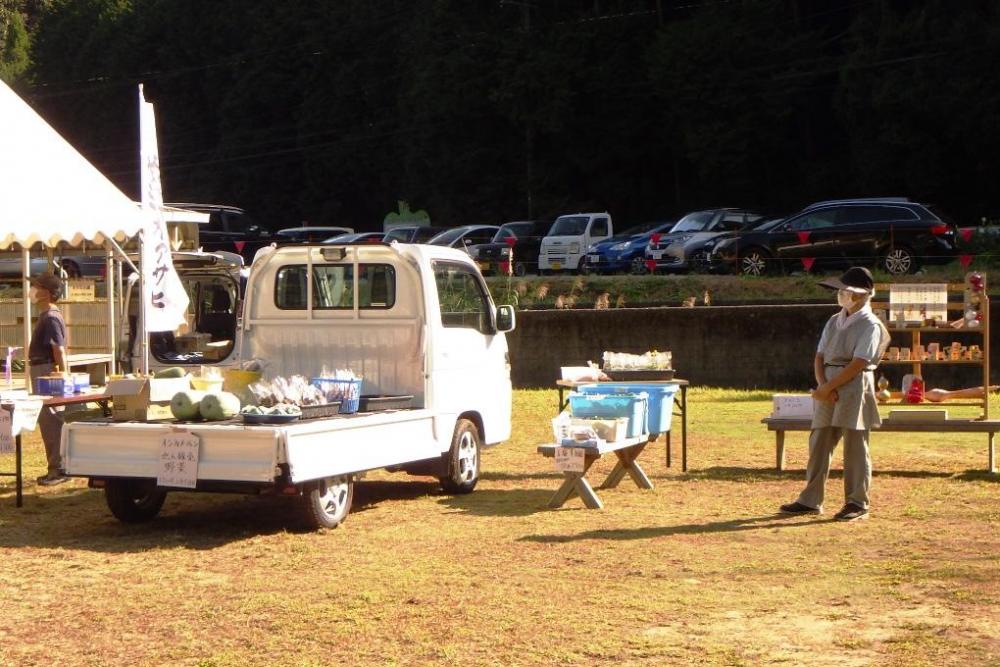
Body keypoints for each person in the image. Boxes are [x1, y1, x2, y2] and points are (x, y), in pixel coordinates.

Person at [780, 266, 890, 521]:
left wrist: (829, 388)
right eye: (842, 291)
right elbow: (819, 356)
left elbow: (859, 362)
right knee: (819, 441)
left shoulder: (871, 324)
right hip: (827, 384)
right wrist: (822, 386)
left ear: (864, 295)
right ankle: (810, 499)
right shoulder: (833, 320)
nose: (843, 296)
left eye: (849, 292)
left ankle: (857, 502)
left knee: (855, 445)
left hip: (854, 385)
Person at [27, 272, 70, 486]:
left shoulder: (52, 317)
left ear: (46, 292)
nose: (32, 289)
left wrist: (62, 375)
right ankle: (54, 467)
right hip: (41, 370)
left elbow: (58, 350)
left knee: (51, 420)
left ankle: (59, 469)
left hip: (47, 372)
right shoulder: (46, 315)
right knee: (47, 421)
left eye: (36, 286)